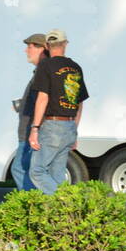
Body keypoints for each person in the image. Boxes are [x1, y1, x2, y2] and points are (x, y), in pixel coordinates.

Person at [28, 28, 88, 195]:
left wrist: (34, 128)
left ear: (47, 46)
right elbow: (79, 103)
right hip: (69, 125)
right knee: (58, 174)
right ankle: (61, 216)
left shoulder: (45, 65)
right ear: (65, 44)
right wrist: (74, 129)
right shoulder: (76, 68)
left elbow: (42, 98)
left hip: (52, 125)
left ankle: (68, 201)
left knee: (37, 171)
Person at [11, 33, 48, 191]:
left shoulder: (42, 72)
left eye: (30, 46)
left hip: (31, 133)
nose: (26, 51)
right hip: (30, 131)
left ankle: (32, 207)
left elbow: (44, 100)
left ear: (41, 49)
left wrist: (35, 129)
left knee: (20, 169)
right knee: (28, 170)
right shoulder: (40, 72)